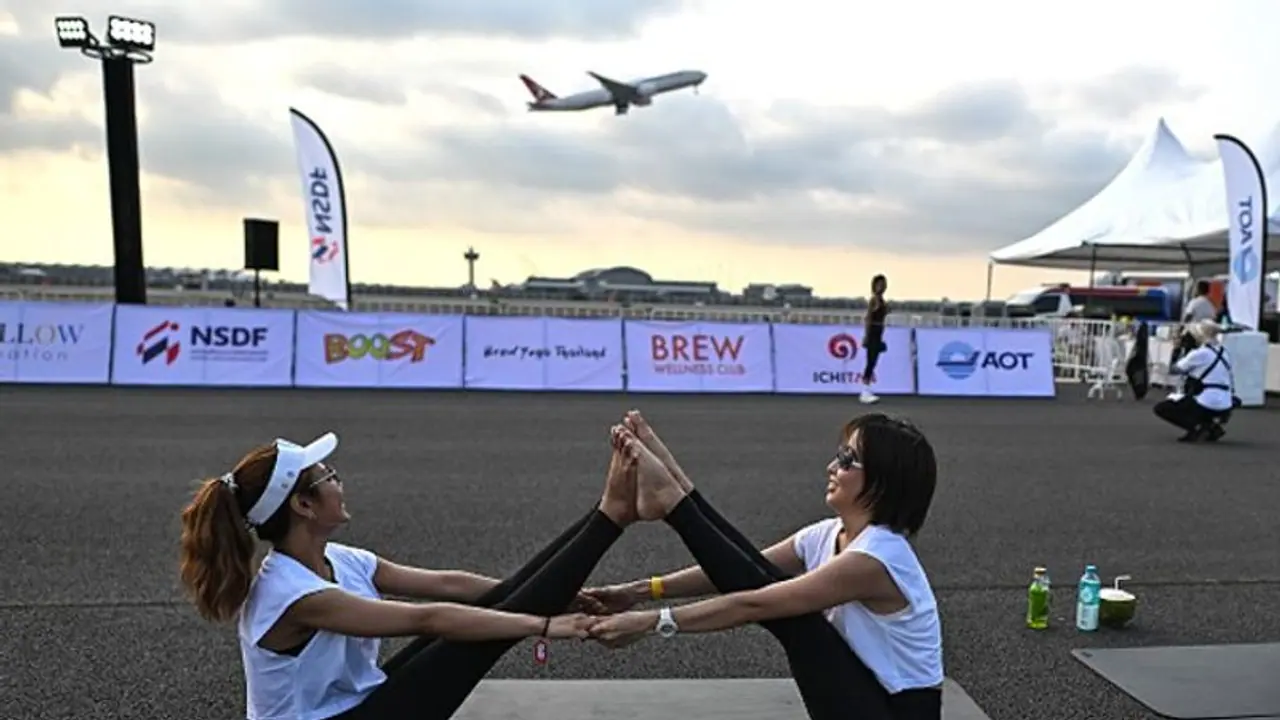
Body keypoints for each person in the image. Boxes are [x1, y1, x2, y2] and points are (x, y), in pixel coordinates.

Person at [177, 431, 639, 720]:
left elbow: (445, 585)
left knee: (482, 612)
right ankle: (610, 516)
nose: (340, 482)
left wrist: (564, 599)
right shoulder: (295, 595)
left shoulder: (338, 557)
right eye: (328, 476)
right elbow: (427, 619)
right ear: (303, 505)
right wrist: (541, 625)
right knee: (463, 633)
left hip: (358, 708)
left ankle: (607, 515)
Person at [583, 410, 943, 720]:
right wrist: (637, 592)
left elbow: (755, 603)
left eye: (848, 460)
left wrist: (651, 623)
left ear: (882, 482)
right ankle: (676, 491)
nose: (832, 466)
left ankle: (676, 502)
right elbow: (743, 565)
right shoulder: (830, 533)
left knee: (796, 617)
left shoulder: (876, 559)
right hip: (863, 694)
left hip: (894, 713)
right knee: (759, 574)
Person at [1153, 320, 1236, 442]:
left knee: (1162, 408)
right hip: (1226, 401)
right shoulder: (1224, 352)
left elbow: (1175, 369)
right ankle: (1211, 427)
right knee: (1192, 400)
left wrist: (1177, 350)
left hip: (1206, 400)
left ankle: (1198, 427)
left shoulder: (1199, 354)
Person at [860, 274, 890, 405]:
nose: (882, 287)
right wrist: (867, 335)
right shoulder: (874, 300)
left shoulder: (881, 299)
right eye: (879, 284)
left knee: (873, 362)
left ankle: (867, 388)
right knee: (870, 362)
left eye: (883, 284)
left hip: (878, 333)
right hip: (873, 333)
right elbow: (869, 318)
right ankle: (865, 390)